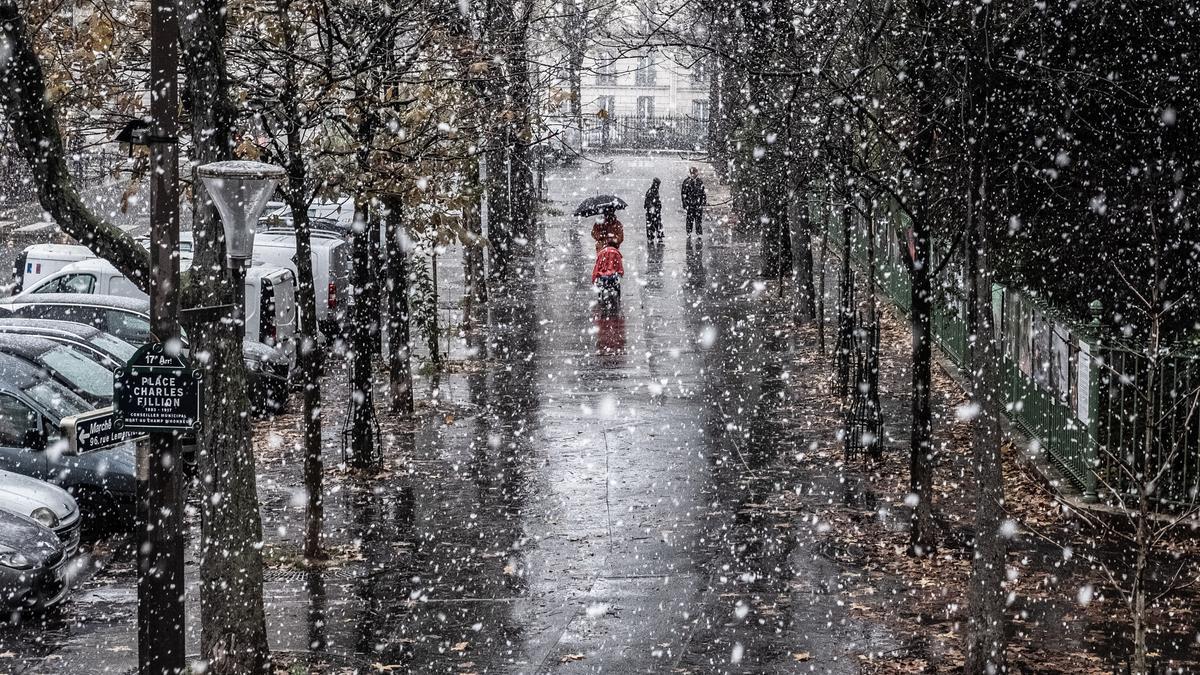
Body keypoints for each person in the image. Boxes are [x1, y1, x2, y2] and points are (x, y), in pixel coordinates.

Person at [681, 167, 707, 236]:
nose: (696, 174)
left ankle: (699, 233)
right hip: (690, 204)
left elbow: (703, 192)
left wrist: (703, 201)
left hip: (698, 204)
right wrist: (685, 204)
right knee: (690, 219)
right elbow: (683, 194)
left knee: (698, 220)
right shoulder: (686, 181)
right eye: (695, 172)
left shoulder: (699, 181)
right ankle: (689, 233)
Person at [644, 178, 663, 242]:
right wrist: (652, 208)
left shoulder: (654, 190)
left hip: (654, 210)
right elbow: (648, 202)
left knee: (655, 224)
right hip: (652, 211)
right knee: (653, 224)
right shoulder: (652, 191)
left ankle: (654, 236)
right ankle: (652, 237)